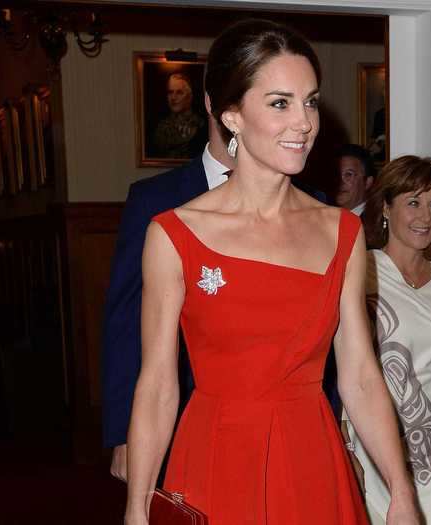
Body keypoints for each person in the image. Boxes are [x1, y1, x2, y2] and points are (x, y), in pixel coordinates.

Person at [124, 19, 420, 525]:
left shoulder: (341, 233)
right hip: (214, 458)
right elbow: (156, 385)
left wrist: (401, 491)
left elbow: (362, 376)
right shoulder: (174, 234)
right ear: (231, 114)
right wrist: (136, 506)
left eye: (310, 101)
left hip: (311, 459)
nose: (303, 122)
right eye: (280, 102)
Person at [103, 65, 330, 483]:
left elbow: (325, 346)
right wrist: (124, 434)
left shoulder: (316, 207)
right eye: (279, 102)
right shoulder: (155, 201)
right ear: (217, 106)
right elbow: (126, 324)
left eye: (308, 102)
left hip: (293, 431)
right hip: (189, 423)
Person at [345, 155, 431, 525]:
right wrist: (343, 448)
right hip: (370, 448)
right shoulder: (358, 271)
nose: (425, 216)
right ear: (385, 207)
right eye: (412, 202)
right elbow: (334, 369)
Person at [151, 73, 208, 158]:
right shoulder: (161, 127)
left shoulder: (202, 125)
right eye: (170, 92)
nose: (173, 97)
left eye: (179, 92)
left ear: (190, 96)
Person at [335, 143, 375, 217]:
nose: (340, 181)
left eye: (348, 175)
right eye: (336, 174)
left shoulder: (375, 221)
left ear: (367, 182)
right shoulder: (326, 218)